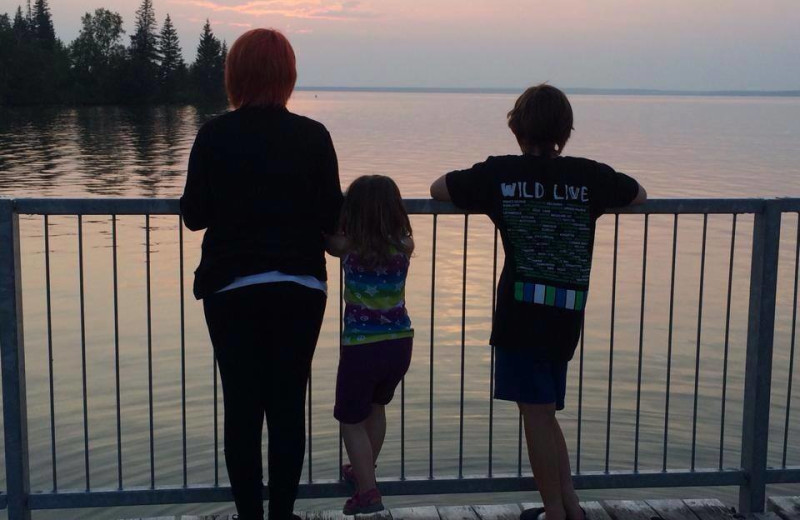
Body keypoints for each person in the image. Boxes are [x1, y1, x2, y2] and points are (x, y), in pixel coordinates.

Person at [430, 84, 646, 520]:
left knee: (536, 414)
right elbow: (638, 194)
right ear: (565, 132)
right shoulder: (589, 176)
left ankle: (553, 511)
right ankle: (569, 506)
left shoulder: (500, 174)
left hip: (519, 313)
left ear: (516, 129)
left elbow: (438, 188)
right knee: (544, 412)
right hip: (567, 313)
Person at [180, 28, 343, 520]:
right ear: (288, 76)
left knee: (243, 408)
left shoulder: (214, 135)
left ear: (235, 75)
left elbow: (194, 213)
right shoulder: (314, 136)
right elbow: (333, 219)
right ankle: (283, 515)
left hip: (231, 287)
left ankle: (249, 515)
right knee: (288, 405)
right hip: (299, 286)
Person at [326, 175, 415, 515]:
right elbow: (401, 237)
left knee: (350, 419)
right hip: (399, 342)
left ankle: (368, 492)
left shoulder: (347, 246)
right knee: (376, 408)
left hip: (362, 346)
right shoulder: (404, 245)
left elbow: (329, 241)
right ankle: (363, 471)